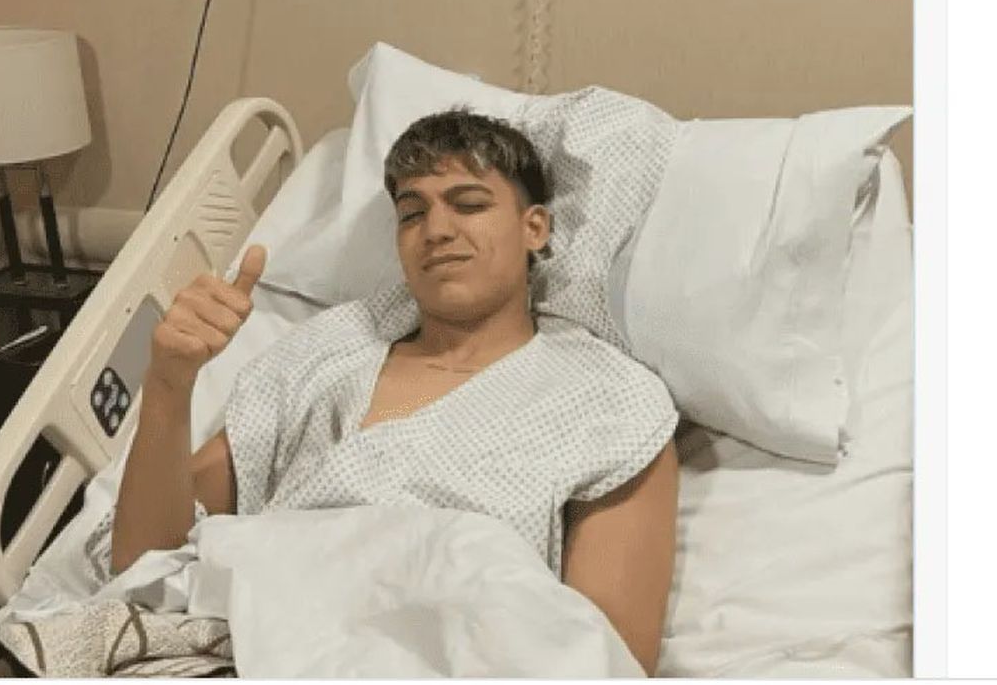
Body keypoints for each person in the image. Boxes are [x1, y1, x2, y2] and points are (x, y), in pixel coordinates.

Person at [111, 109, 679, 675]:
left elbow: (605, 659)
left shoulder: (609, 402)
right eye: (412, 213)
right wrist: (169, 385)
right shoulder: (319, 358)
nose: (436, 230)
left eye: (469, 204)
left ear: (535, 228)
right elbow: (144, 567)